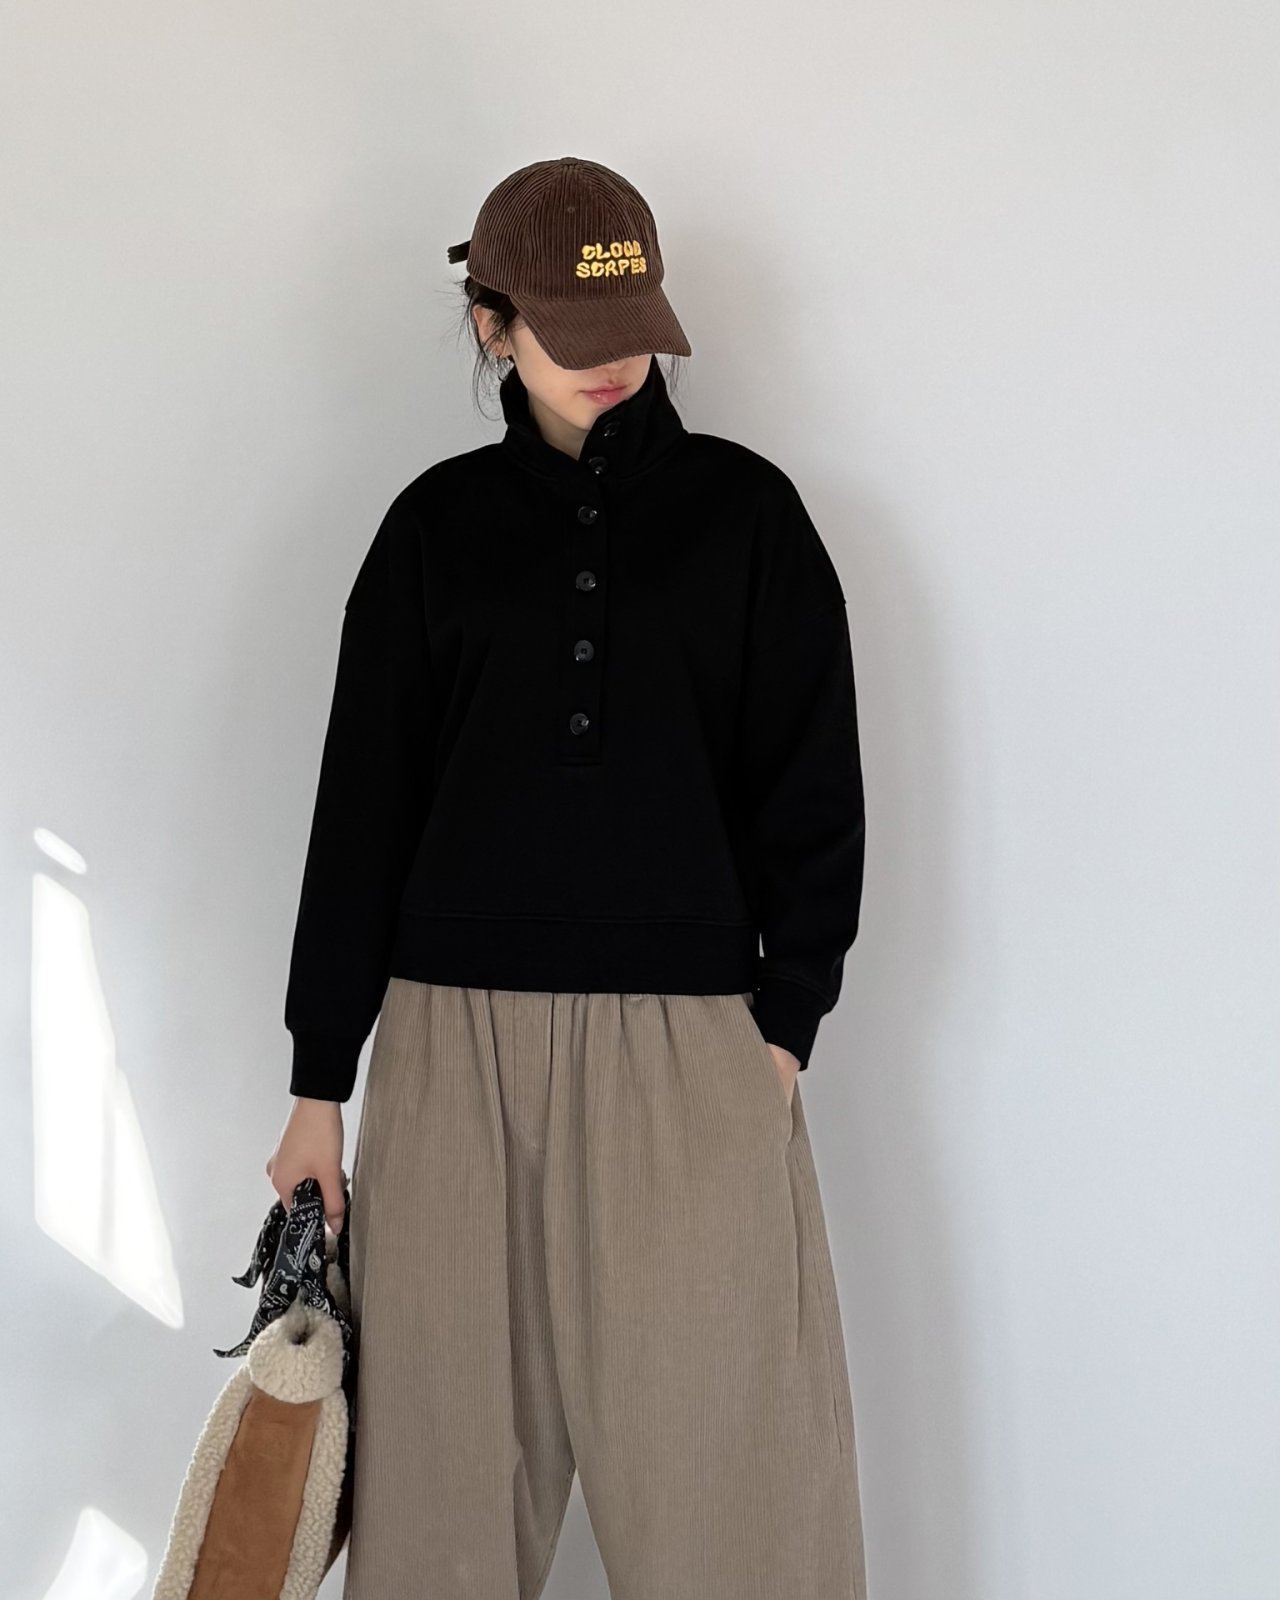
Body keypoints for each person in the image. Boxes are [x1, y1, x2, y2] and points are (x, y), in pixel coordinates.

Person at [265, 155, 869, 1600]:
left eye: (633, 330)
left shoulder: (749, 518)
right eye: (572, 333)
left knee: (736, 1500)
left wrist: (782, 1029)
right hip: (450, 1053)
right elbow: (362, 814)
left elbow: (813, 789)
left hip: (690, 1052)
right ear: (492, 324)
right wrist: (316, 1089)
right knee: (440, 1514)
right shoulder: (434, 530)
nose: (614, 364)